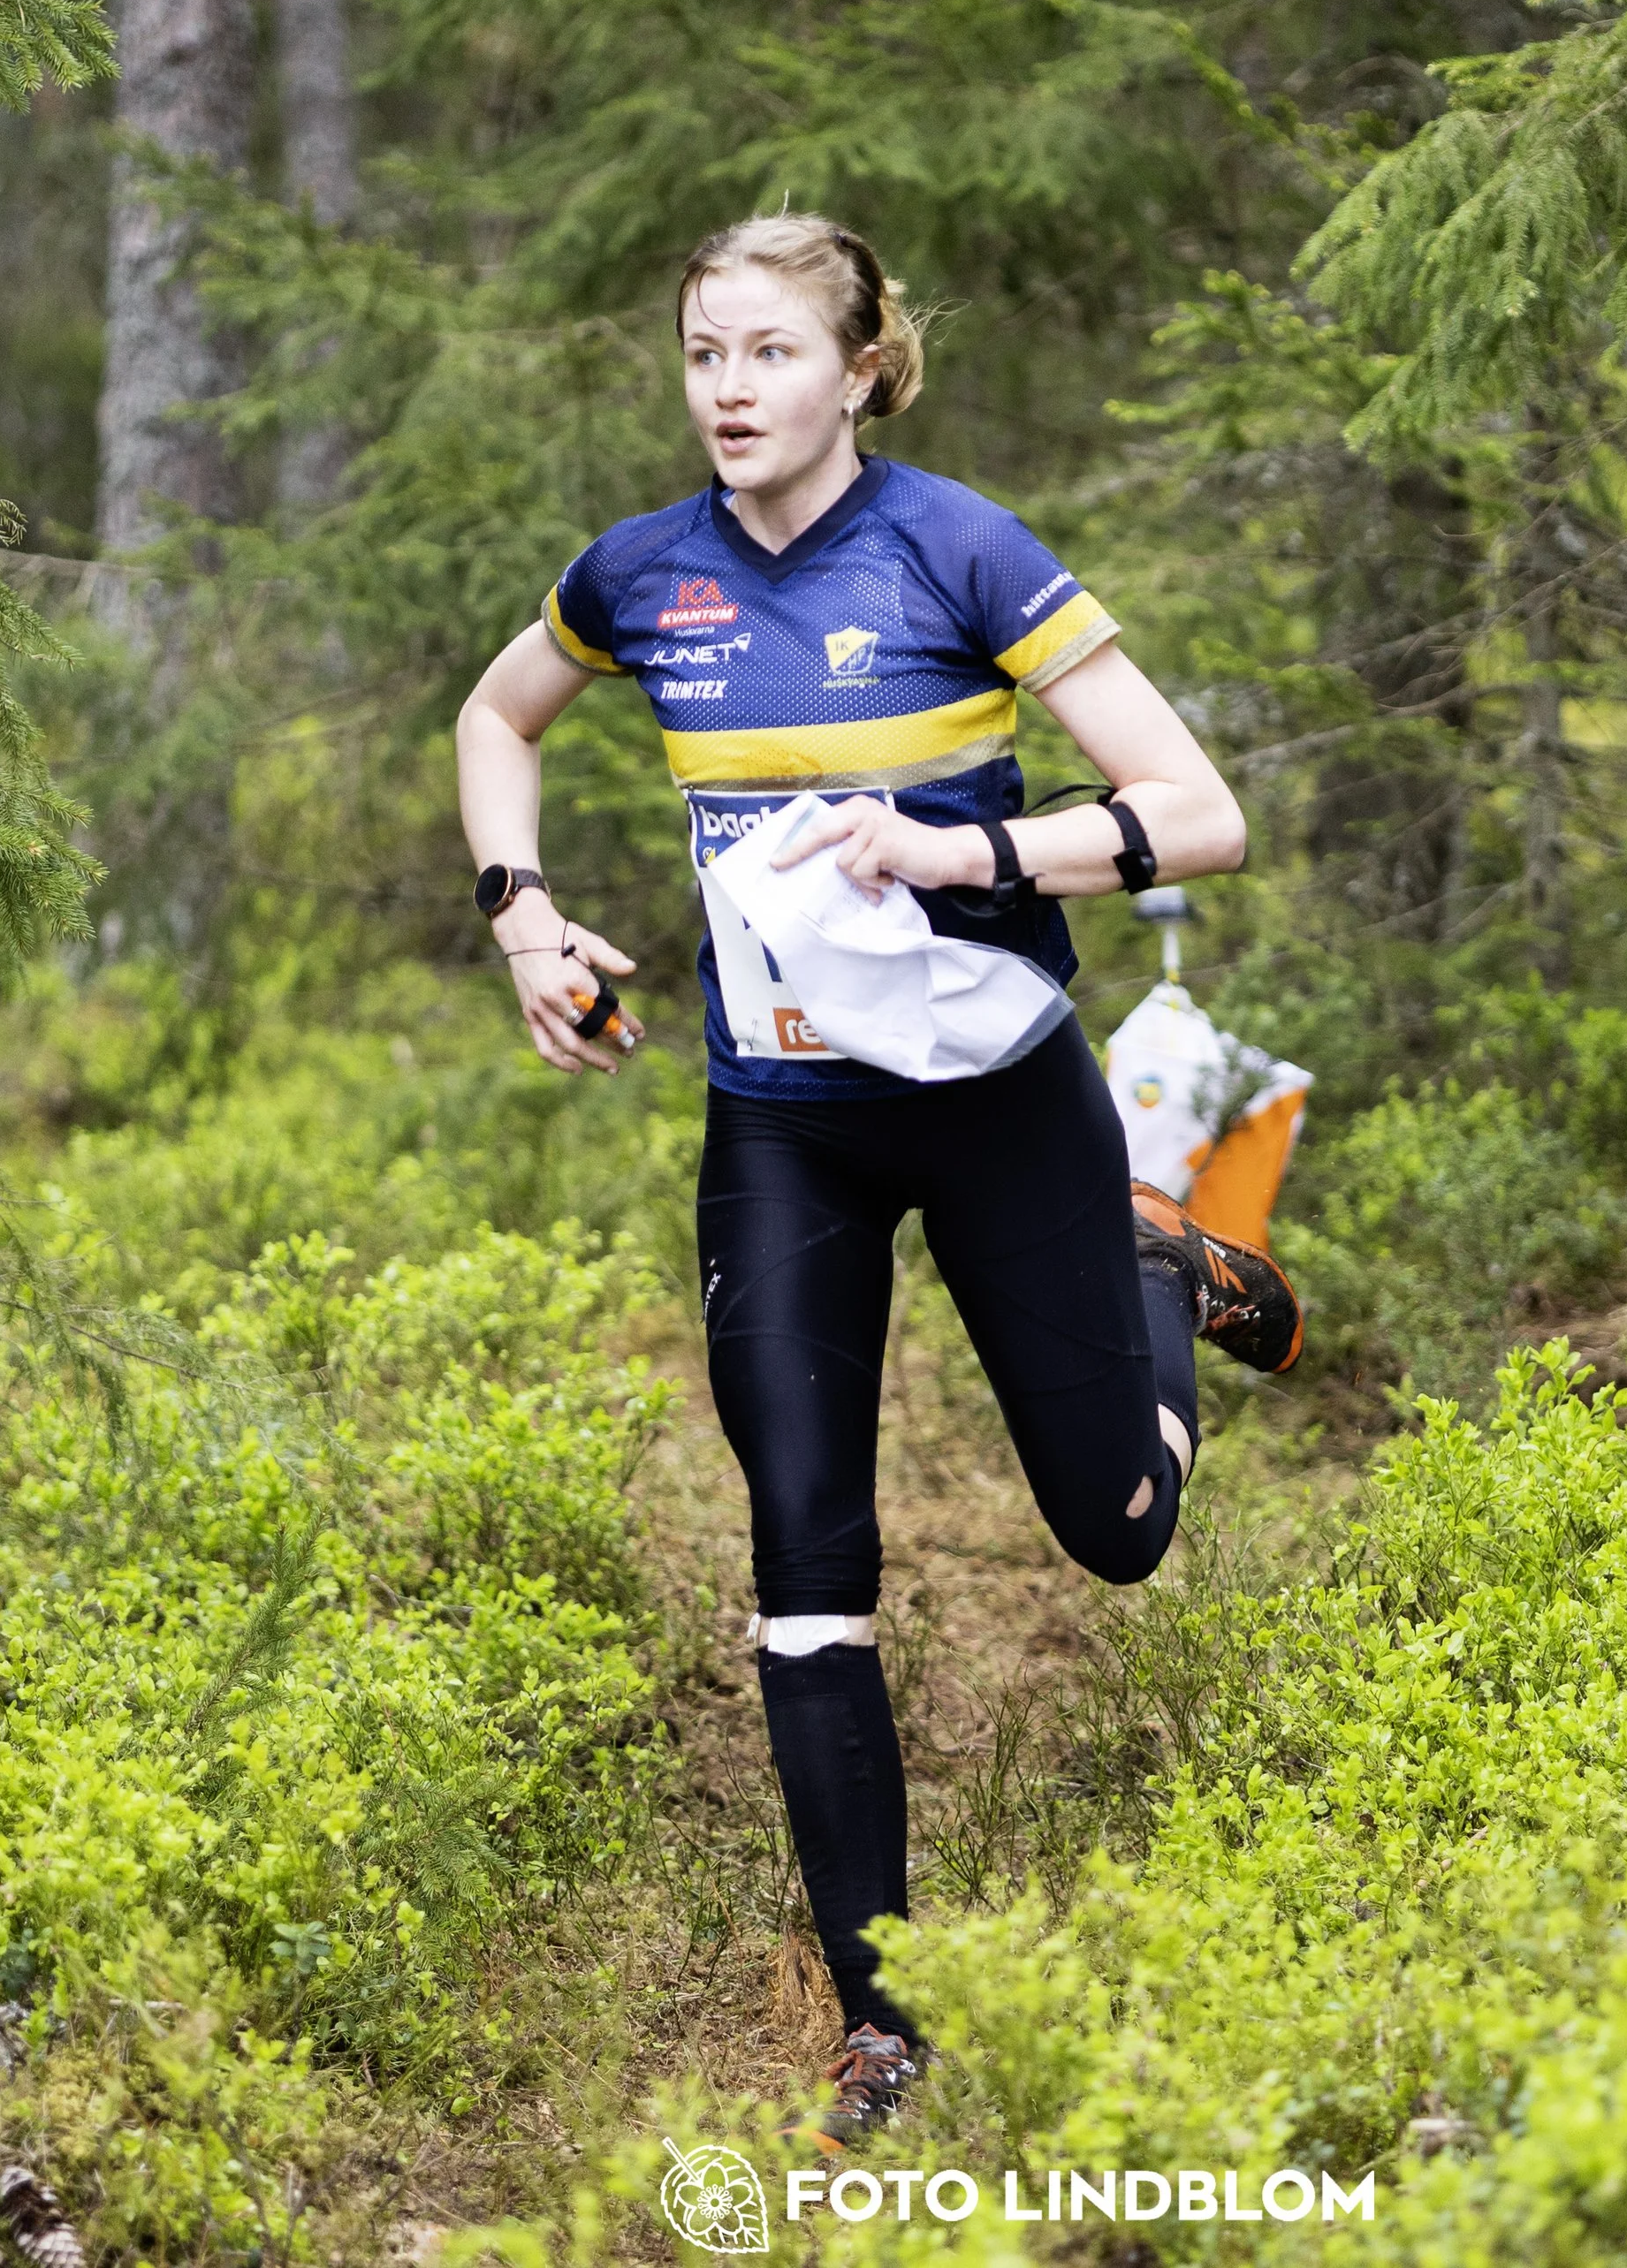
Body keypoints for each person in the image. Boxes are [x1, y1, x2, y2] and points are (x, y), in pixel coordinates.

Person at [455, 212, 1302, 2148]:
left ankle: (1156, 1264)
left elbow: (1200, 816)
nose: (729, 391)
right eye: (701, 355)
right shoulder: (636, 576)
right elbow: (495, 719)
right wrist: (524, 916)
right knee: (803, 1573)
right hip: (782, 1123)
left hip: (1000, 1095)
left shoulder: (959, 548)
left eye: (767, 354)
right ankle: (881, 2017)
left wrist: (962, 857)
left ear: (858, 369)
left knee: (1115, 1537)